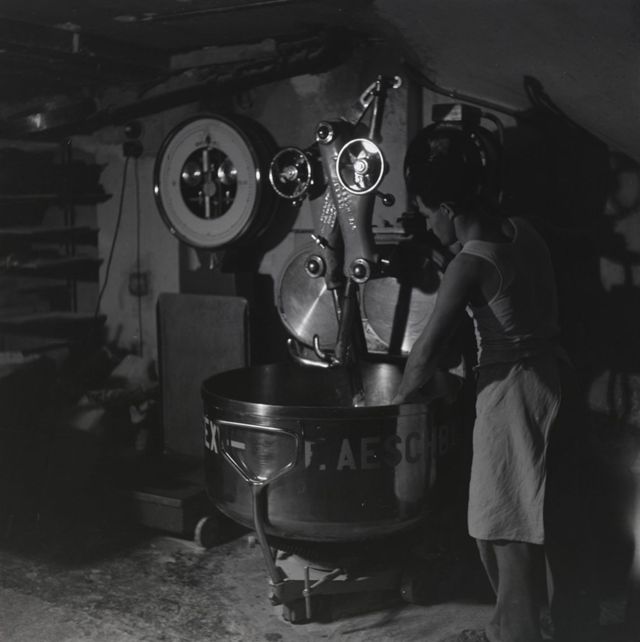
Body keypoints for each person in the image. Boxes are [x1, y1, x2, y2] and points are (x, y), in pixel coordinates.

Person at [392, 126, 595, 642]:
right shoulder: (525, 229)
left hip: (513, 397)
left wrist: (397, 407)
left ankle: (514, 633)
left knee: (506, 526)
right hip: (556, 380)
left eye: (427, 211)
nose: (427, 222)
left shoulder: (468, 266)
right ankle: (526, 627)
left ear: (446, 207)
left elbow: (425, 353)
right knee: (543, 518)